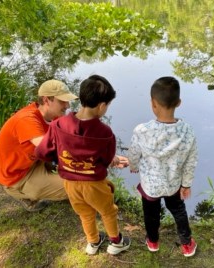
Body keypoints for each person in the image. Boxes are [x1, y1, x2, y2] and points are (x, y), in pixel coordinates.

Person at [34, 74, 131, 255]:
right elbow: (106, 158)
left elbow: (42, 152)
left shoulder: (58, 124)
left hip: (70, 183)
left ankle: (93, 243)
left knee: (85, 213)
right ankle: (116, 243)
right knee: (108, 211)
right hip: (94, 184)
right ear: (102, 105)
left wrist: (63, 158)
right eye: (108, 105)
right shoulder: (104, 132)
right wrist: (113, 161)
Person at [127, 76, 198, 257]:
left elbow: (134, 153)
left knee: (151, 214)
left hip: (150, 186)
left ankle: (152, 241)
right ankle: (187, 244)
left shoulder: (142, 130)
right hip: (174, 184)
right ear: (179, 102)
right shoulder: (187, 131)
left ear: (153, 103)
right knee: (179, 212)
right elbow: (191, 159)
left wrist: (134, 165)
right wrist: (186, 184)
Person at [0, 79, 78, 212]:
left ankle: (48, 183)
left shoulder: (53, 116)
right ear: (46, 100)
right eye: (62, 101)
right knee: (81, 186)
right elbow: (49, 147)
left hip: (33, 162)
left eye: (67, 101)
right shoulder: (27, 120)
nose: (67, 105)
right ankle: (22, 193)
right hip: (18, 176)